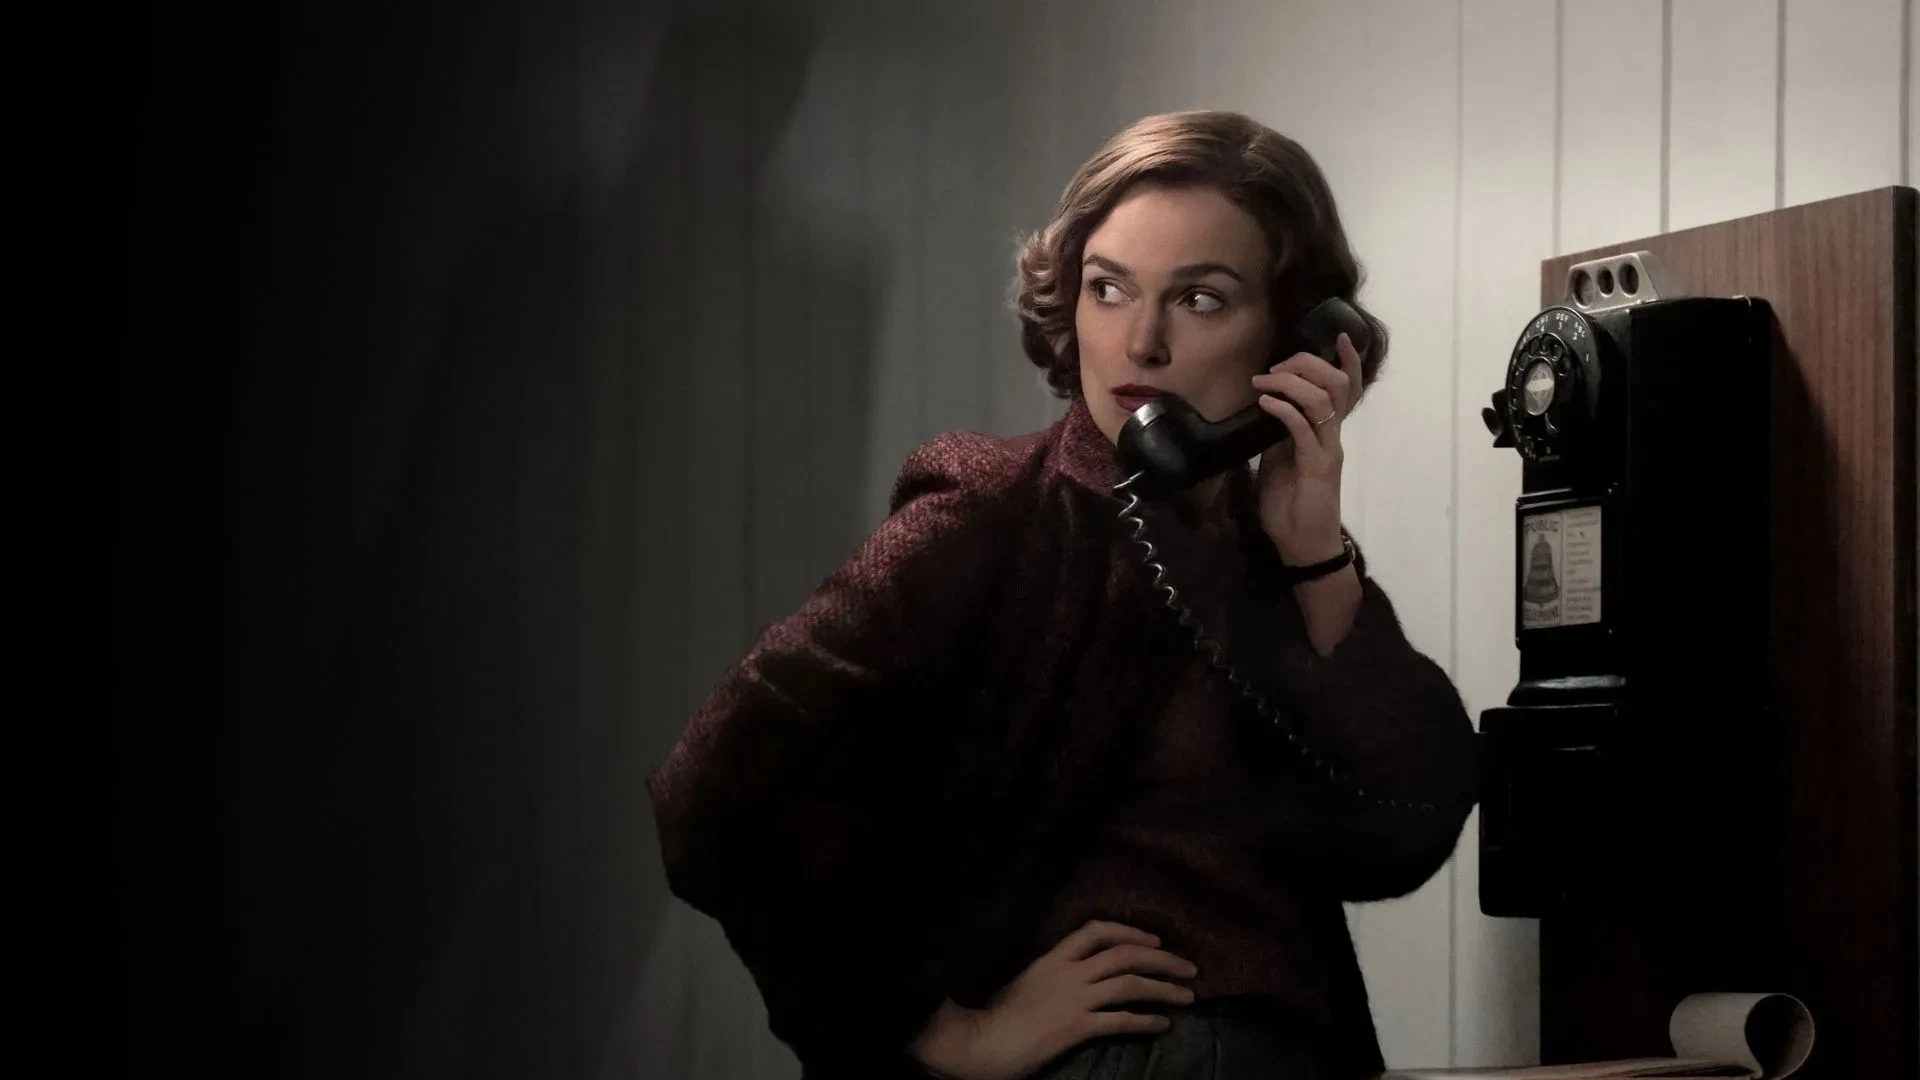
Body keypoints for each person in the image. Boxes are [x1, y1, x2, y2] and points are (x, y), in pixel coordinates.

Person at [647, 110, 1480, 1080]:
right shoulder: (996, 511)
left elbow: (1405, 828)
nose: (1143, 342)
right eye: (1109, 289)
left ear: (1298, 336)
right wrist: (935, 1027)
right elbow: (711, 793)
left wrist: (1313, 553)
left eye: (1202, 299)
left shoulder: (1271, 550)